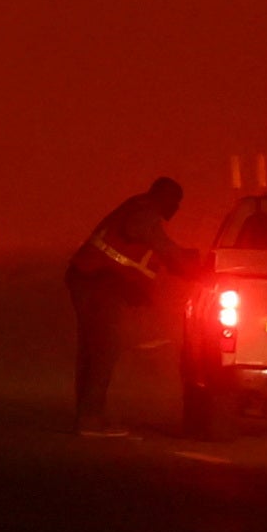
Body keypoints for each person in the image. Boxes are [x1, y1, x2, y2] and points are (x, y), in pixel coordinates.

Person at [65, 176, 186, 430]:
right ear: (164, 197)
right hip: (101, 282)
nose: (176, 208)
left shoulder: (138, 207)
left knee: (93, 348)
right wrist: (191, 263)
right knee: (104, 349)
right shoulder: (145, 212)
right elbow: (157, 243)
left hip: (89, 278)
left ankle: (87, 414)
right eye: (175, 202)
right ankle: (90, 417)